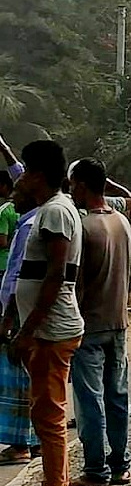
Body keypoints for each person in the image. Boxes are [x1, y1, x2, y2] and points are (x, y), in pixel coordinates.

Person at [3, 140, 84, 486]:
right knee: (43, 413)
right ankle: (53, 485)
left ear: (37, 174)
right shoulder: (51, 210)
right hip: (45, 328)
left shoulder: (54, 213)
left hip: (52, 330)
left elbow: (55, 276)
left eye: (25, 173)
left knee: (49, 417)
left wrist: (27, 330)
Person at [67, 159, 131, 486]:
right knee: (117, 395)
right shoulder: (122, 221)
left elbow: (75, 283)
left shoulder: (83, 227)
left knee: (89, 399)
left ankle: (95, 469)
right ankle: (120, 463)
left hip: (89, 324)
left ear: (80, 184)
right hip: (118, 322)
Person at [0, 182, 39, 466]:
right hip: (27, 311)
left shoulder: (28, 227)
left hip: (20, 313)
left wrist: (8, 318)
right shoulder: (30, 221)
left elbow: (20, 276)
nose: (13, 197)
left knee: (18, 378)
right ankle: (33, 441)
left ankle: (21, 443)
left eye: (18, 192)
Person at [0, 171, 18, 285]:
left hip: (2, 264)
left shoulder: (3, 211)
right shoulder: (24, 209)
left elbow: (2, 242)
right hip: (15, 263)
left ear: (5, 186)